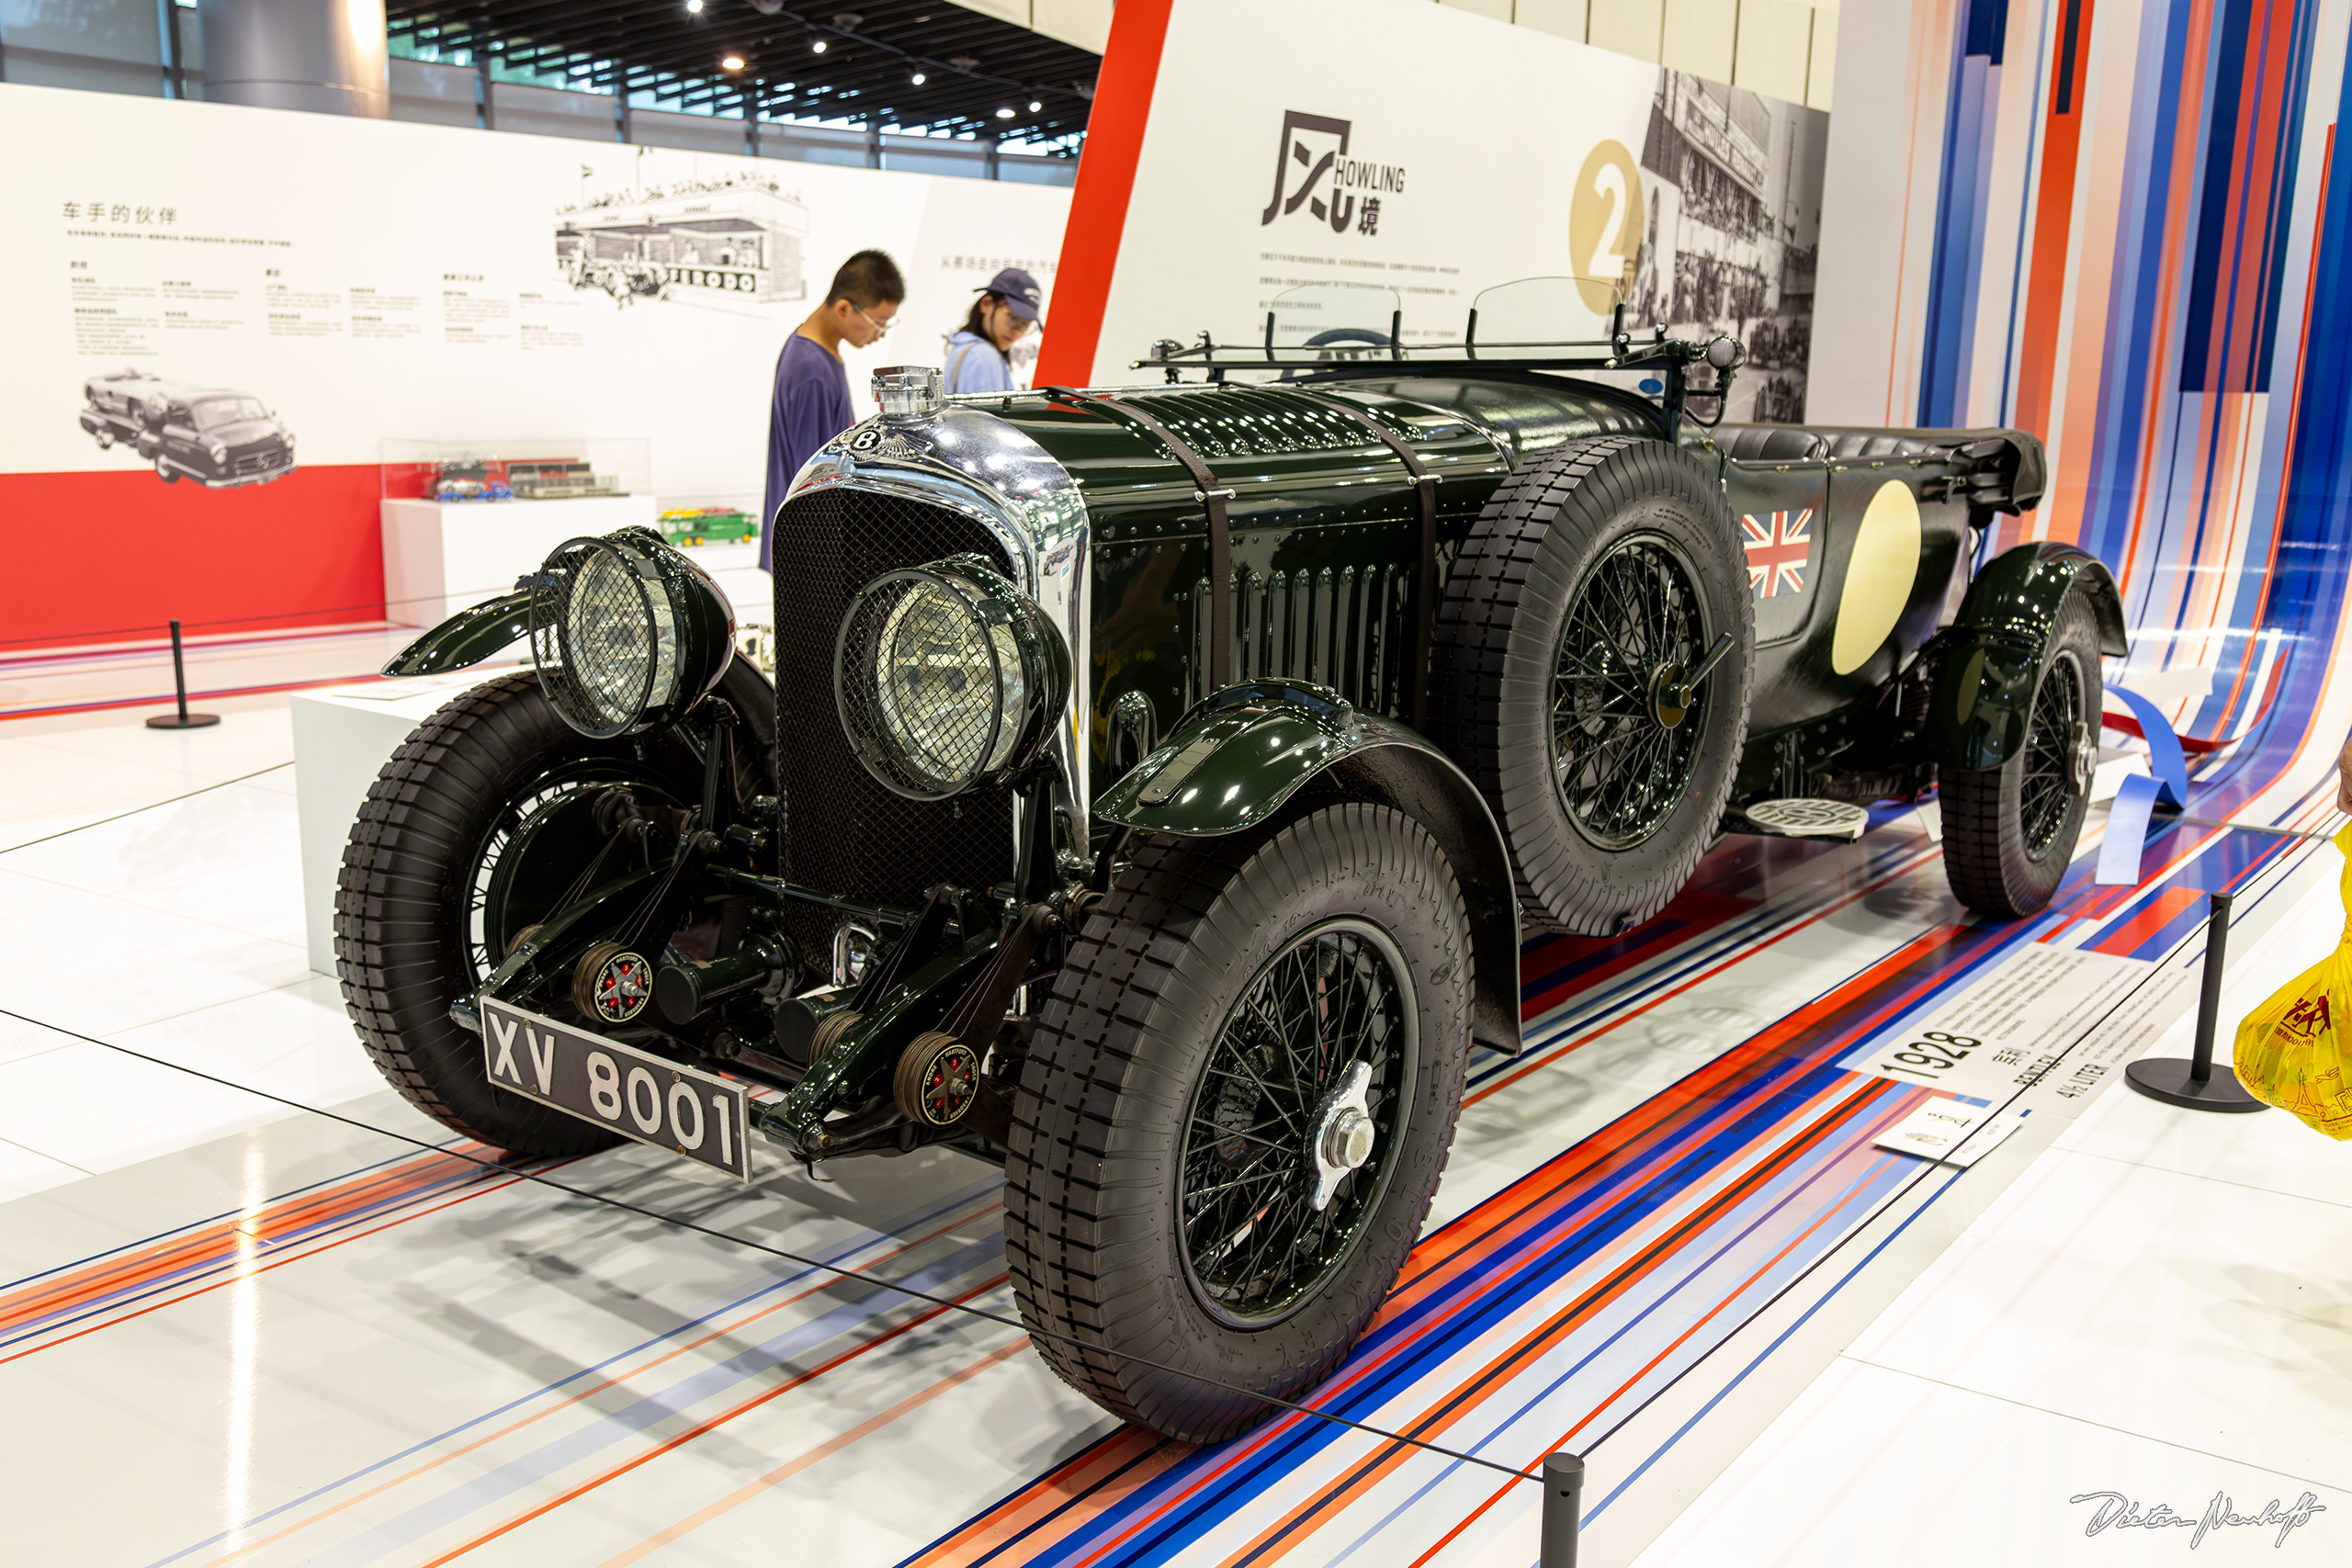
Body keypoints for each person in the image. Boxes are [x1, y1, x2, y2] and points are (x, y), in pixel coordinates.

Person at [759, 248, 904, 571]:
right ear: (843, 308)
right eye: (878, 322)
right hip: (811, 555)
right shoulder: (812, 370)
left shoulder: (817, 352)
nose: (880, 334)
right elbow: (809, 486)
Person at [941, 267, 1044, 396]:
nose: (1017, 331)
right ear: (987, 304)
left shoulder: (968, 347)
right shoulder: (981, 354)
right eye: (1012, 317)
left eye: (1026, 325)